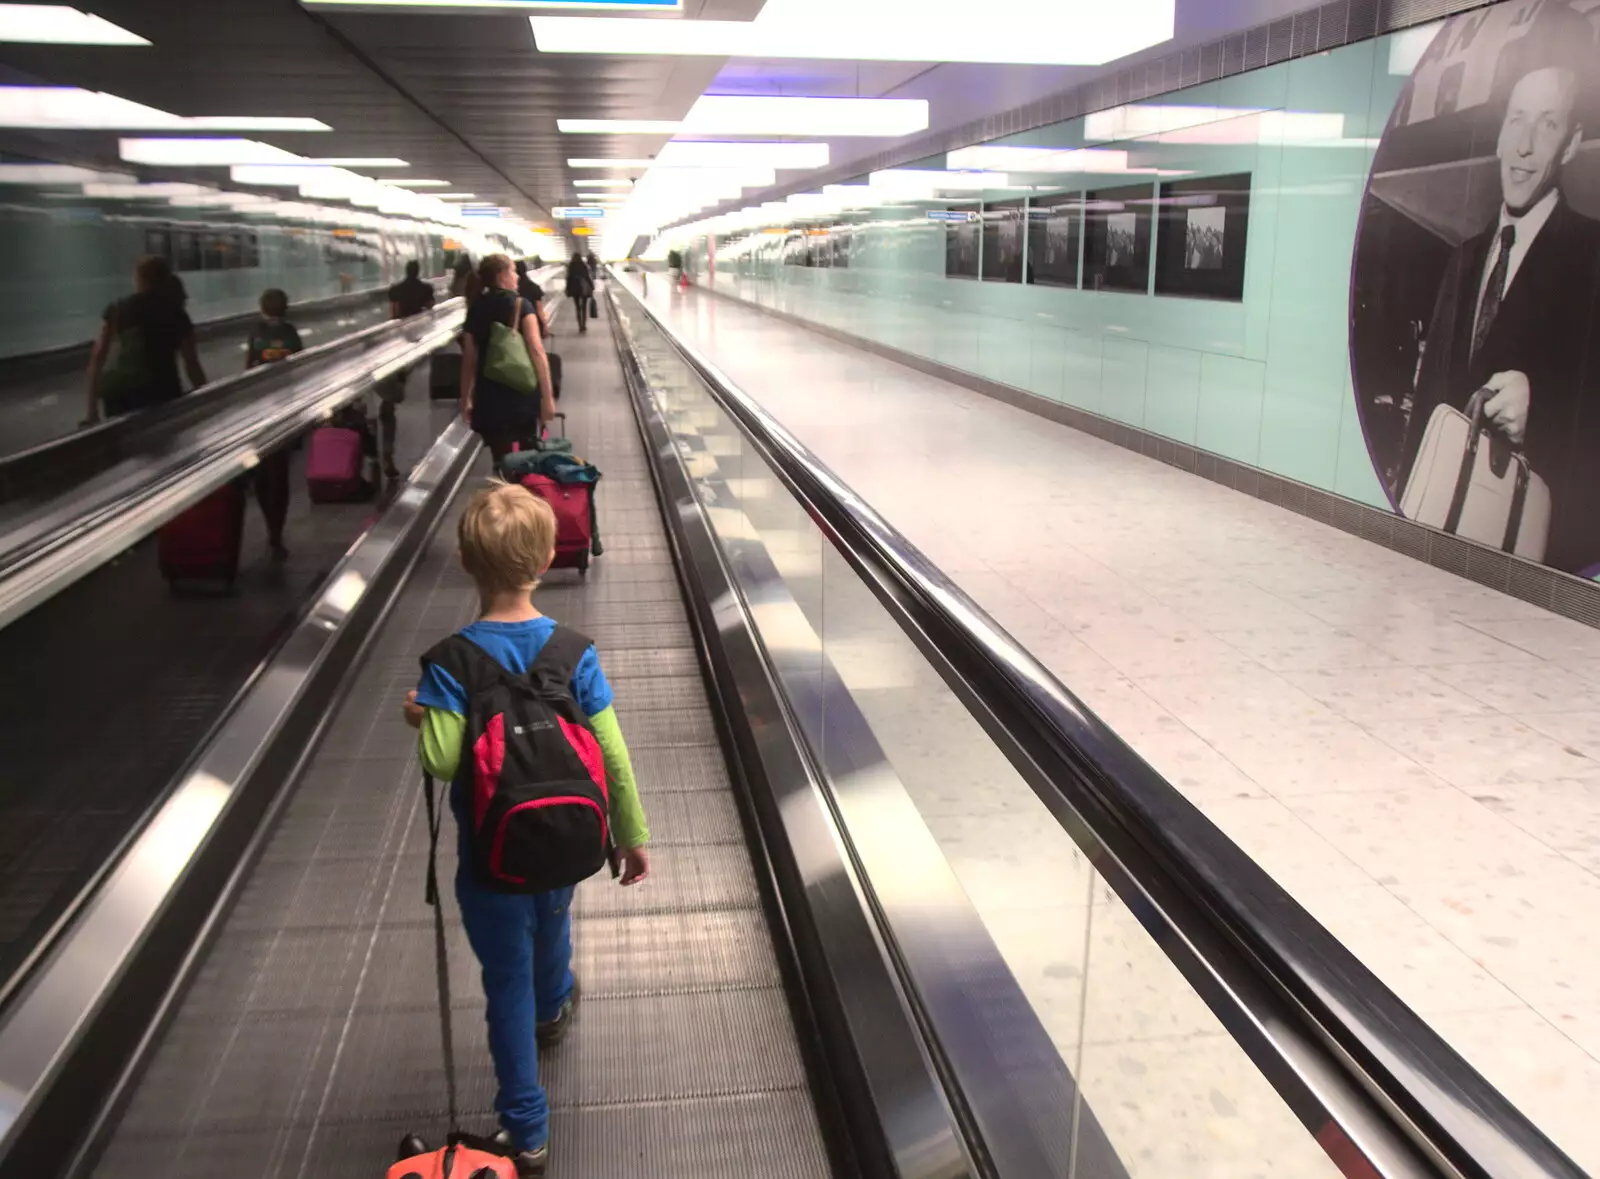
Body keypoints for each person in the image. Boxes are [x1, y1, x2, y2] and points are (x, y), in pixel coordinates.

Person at [403, 482, 650, 1177]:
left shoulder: (451, 662)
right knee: (554, 916)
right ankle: (555, 1005)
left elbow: (446, 760)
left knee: (502, 975)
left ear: (463, 560)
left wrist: (422, 716)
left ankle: (527, 1127)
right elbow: (611, 750)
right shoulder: (574, 651)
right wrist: (630, 835)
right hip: (567, 844)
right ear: (546, 556)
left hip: (491, 858)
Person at [1402, 22, 1600, 573]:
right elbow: (1427, 413)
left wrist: (1544, 412)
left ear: (1573, 143)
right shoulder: (1461, 259)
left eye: (1548, 123)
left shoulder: (1593, 258)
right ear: (1497, 133)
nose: (1525, 144)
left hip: (1530, 565)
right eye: (1516, 119)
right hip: (1436, 540)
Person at [84, 255, 206, 425]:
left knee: (125, 441)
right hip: (161, 391)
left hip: (119, 396)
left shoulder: (116, 309)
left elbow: (97, 358)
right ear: (165, 279)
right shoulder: (176, 313)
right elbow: (191, 362)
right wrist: (205, 395)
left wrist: (91, 411)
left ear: (138, 279)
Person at [460, 254, 555, 463]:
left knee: (500, 456)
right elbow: (537, 352)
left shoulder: (475, 308)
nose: (517, 277)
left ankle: (502, 485)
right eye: (513, 271)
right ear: (502, 276)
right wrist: (547, 398)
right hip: (521, 396)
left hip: (488, 398)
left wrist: (465, 397)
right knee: (526, 455)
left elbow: (469, 359)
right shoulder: (522, 305)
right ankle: (518, 491)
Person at [242, 289, 303, 560]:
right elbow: (302, 366)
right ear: (286, 308)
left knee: (263, 472)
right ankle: (275, 533)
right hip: (285, 407)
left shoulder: (254, 332)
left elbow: (248, 371)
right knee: (279, 474)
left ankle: (270, 523)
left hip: (258, 409)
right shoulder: (290, 332)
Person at [376, 260, 437, 479]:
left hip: (400, 337)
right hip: (418, 334)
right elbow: (430, 309)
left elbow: (393, 314)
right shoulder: (426, 289)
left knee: (392, 394)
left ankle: (385, 455)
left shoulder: (396, 290)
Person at [515, 259, 550, 340]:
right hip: (533, 323)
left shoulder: (511, 288)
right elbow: (539, 310)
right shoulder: (533, 287)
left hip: (516, 325)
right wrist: (545, 325)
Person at [564, 254, 594, 334]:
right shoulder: (583, 265)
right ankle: (584, 325)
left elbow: (568, 278)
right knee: (584, 307)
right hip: (583, 288)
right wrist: (591, 286)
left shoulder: (571, 266)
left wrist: (567, 288)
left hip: (574, 289)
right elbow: (587, 276)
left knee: (577, 307)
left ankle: (580, 325)